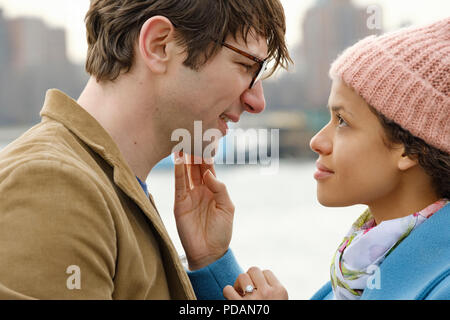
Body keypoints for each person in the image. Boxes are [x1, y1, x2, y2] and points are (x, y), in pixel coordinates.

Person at [0, 0, 291, 299]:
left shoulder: (102, 187)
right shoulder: (54, 187)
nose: (257, 102)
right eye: (246, 66)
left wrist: (210, 266)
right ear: (159, 45)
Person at [185, 17, 450, 300]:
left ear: (410, 148)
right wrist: (211, 258)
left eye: (343, 121)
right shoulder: (358, 270)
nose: (316, 141)